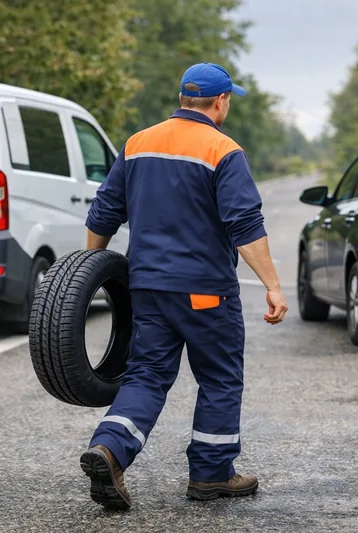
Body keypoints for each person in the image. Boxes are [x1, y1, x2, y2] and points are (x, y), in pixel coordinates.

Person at [79, 62, 288, 510]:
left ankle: (110, 450)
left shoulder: (138, 143)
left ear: (182, 99)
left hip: (148, 287)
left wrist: (88, 271)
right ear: (220, 102)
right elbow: (245, 225)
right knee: (219, 378)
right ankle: (211, 475)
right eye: (229, 99)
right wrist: (272, 284)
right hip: (206, 291)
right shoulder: (223, 149)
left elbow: (104, 212)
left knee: (147, 375)